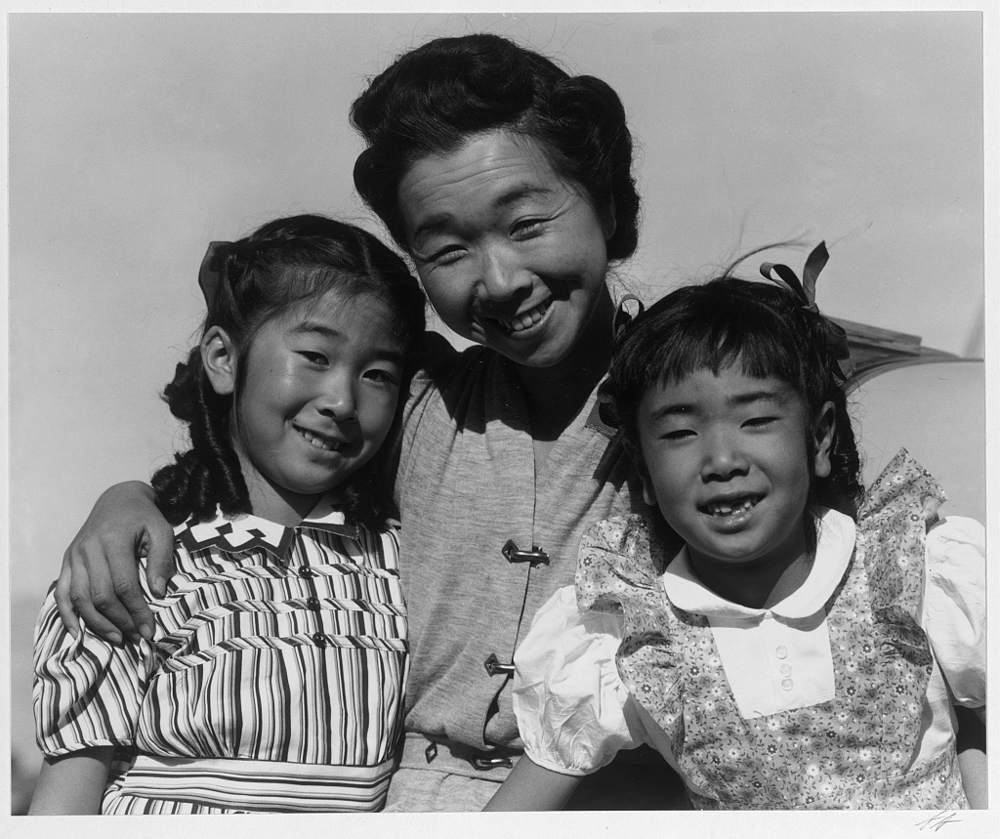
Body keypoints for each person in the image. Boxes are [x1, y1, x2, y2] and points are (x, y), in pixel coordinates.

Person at [48, 33, 688, 811]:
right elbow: (258, 453)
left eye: (525, 224)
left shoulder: (698, 408)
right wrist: (128, 497)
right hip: (398, 801)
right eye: (447, 248)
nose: (499, 279)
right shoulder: (411, 397)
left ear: (609, 204)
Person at [485, 246, 986, 810]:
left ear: (819, 438)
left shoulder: (910, 569)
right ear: (643, 469)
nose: (722, 459)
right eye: (678, 433)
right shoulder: (628, 633)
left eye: (755, 420)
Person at [29, 214, 426, 814]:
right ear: (222, 356)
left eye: (378, 375)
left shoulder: (407, 565)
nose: (343, 402)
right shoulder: (140, 569)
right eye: (315, 355)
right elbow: (64, 807)